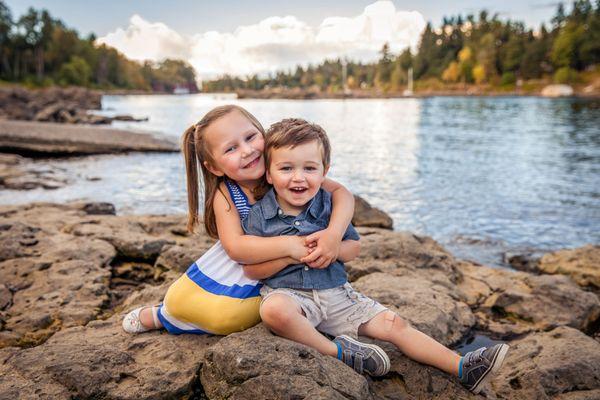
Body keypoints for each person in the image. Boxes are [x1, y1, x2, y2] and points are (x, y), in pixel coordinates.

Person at [241, 118, 509, 394]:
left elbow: (353, 248)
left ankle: (464, 367)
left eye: (309, 168)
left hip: (337, 295)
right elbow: (251, 270)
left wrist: (333, 248)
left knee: (396, 324)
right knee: (274, 311)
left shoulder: (328, 206)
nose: (299, 177)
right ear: (269, 174)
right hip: (290, 295)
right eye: (286, 168)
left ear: (325, 171)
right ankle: (338, 351)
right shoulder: (260, 216)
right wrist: (289, 256)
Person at [122, 105, 356, 335]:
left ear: (262, 132)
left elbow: (342, 194)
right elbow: (236, 247)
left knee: (239, 316)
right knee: (182, 301)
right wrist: (291, 246)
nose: (246, 150)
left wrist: (333, 235)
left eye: (250, 137)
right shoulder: (227, 193)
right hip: (248, 264)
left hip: (287, 274)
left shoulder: (288, 170)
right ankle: (161, 316)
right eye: (231, 149)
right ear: (214, 167)